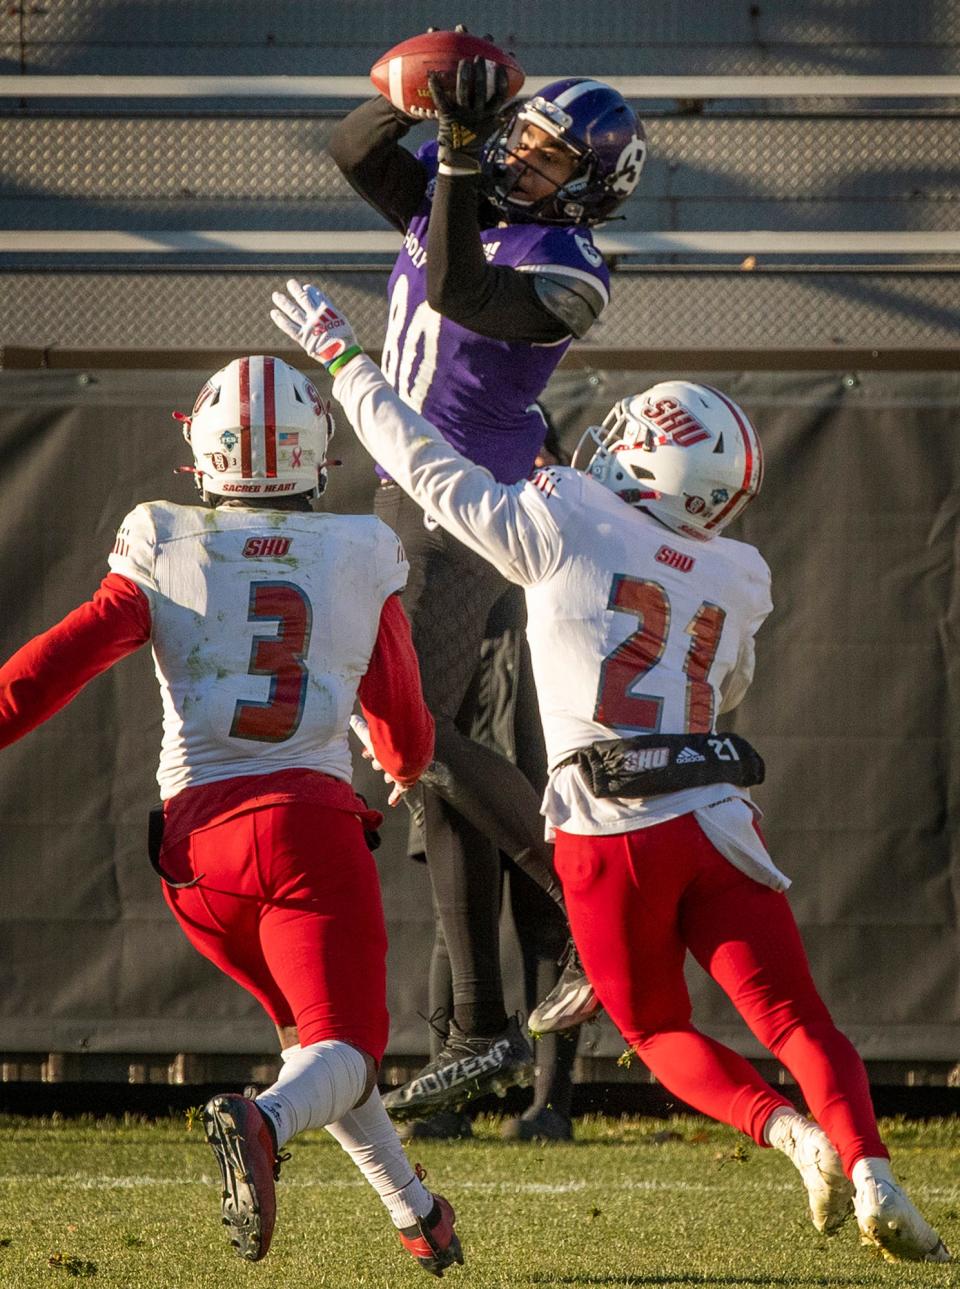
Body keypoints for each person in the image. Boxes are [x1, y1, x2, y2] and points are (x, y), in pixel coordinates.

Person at [270, 287, 951, 1265]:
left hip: (607, 826)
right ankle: (871, 1165)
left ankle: (791, 1135)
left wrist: (346, 359)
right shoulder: (740, 572)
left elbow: (427, 467)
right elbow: (731, 678)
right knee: (801, 1019)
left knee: (658, 1025)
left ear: (633, 451)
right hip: (716, 816)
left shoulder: (563, 516)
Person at [0, 355, 464, 1279]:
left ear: (203, 453)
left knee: (318, 1047)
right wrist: (406, 767)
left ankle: (419, 1214)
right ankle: (261, 1120)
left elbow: (50, 667)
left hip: (195, 857)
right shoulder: (359, 550)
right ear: (316, 453)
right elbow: (403, 724)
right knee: (350, 1051)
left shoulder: (164, 541)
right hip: (305, 832)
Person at [326, 42, 647, 1116]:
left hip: (462, 513)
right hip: (413, 500)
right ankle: (475, 1027)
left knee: (404, 728)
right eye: (524, 139)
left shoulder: (574, 263)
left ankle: (575, 910)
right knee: (432, 763)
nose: (524, 159)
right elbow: (354, 143)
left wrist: (460, 155)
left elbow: (464, 289)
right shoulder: (458, 191)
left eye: (551, 157)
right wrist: (442, 82)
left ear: (594, 186)